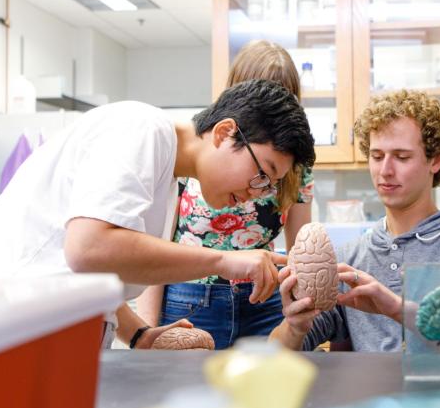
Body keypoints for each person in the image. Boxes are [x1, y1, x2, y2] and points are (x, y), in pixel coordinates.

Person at [0, 79, 317, 349]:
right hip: (13, 322)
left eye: (268, 185)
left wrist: (138, 333)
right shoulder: (142, 129)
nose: (255, 194)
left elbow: (101, 266)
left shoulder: (169, 177)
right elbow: (88, 248)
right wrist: (222, 260)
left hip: (47, 324)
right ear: (223, 133)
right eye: (261, 173)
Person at [269, 89, 440, 354]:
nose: (385, 171)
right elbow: (276, 355)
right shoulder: (352, 259)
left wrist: (396, 309)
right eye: (377, 156)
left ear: (436, 159)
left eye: (402, 157)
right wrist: (295, 326)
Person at [134, 40, 315, 350]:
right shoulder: (195, 152)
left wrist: (305, 309)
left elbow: (302, 249)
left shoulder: (293, 168)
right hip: (193, 299)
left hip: (264, 300)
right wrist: (145, 332)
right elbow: (154, 247)